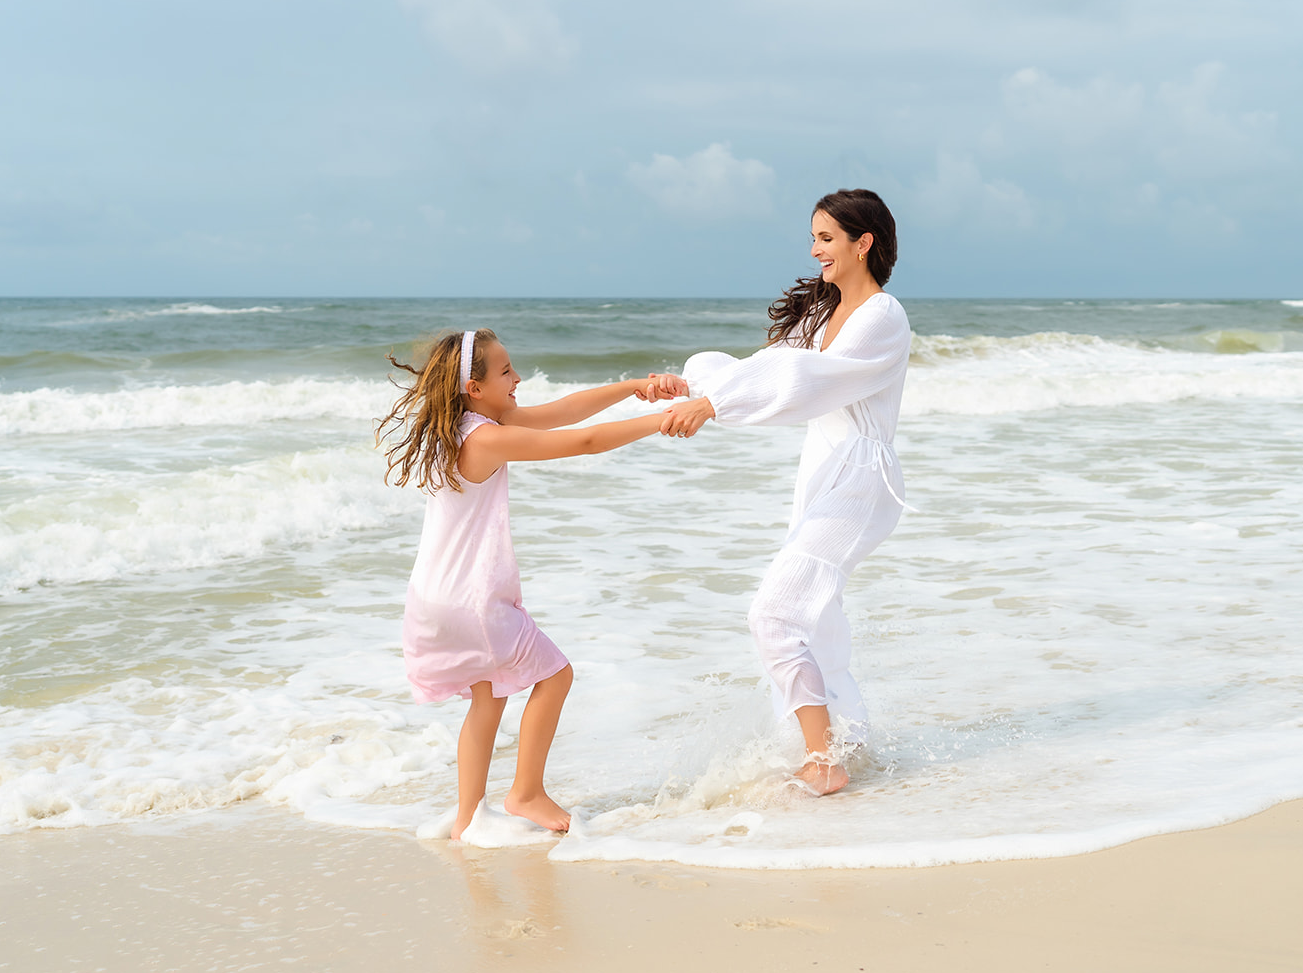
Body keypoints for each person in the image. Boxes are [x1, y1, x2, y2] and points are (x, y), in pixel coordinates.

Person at [378, 329, 681, 839]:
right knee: (555, 675)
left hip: (435, 595)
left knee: (488, 697)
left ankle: (467, 818)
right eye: (505, 372)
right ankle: (525, 793)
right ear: (474, 388)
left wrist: (633, 387)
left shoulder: (464, 427)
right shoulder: (487, 437)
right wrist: (664, 421)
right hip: (472, 598)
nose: (517, 378)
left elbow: (565, 411)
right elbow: (580, 442)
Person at [659, 189, 910, 796]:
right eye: (814, 238)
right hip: (822, 469)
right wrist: (692, 381)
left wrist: (712, 404)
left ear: (863, 243)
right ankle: (850, 743)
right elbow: (765, 365)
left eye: (826, 238)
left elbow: (805, 380)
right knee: (817, 621)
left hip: (859, 477)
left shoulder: (883, 316)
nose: (816, 250)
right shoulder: (820, 316)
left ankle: (823, 759)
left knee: (774, 614)